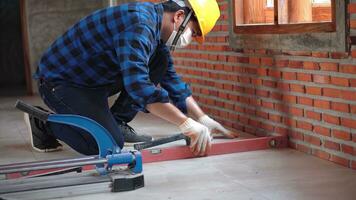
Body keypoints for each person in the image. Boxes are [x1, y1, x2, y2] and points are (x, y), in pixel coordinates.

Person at [25, 0, 238, 157]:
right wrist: (185, 124)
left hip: (93, 81)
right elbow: (139, 87)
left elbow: (171, 81)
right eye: (193, 32)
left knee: (160, 63)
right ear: (179, 16)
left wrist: (201, 118)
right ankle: (42, 124)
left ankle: (116, 122)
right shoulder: (139, 24)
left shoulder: (155, 35)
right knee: (104, 145)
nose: (190, 39)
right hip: (61, 82)